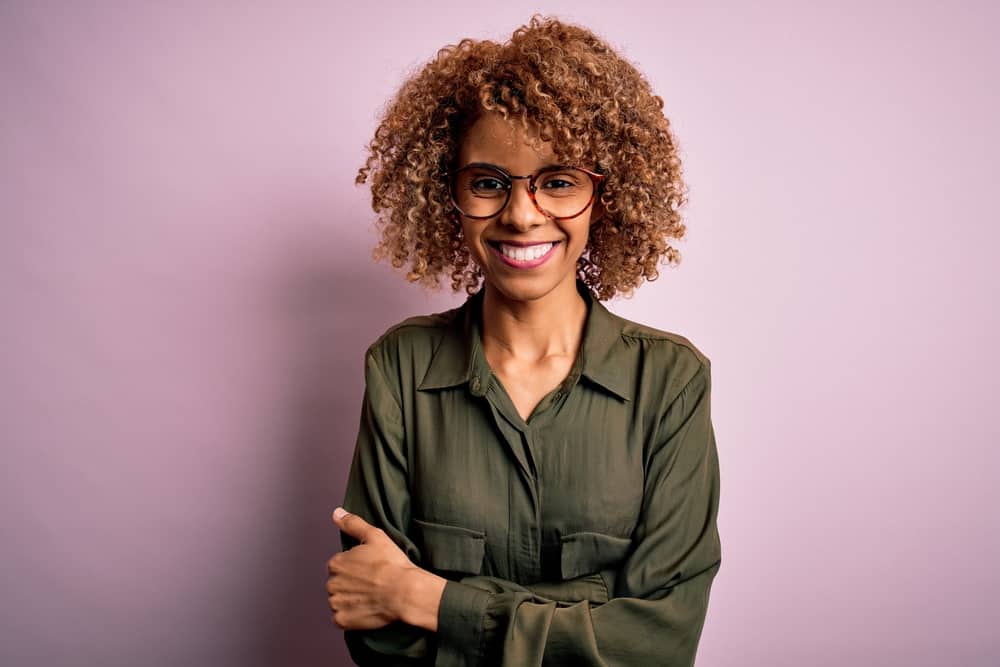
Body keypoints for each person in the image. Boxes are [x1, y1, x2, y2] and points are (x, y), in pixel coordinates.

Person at [326, 15, 722, 667]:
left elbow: (660, 642)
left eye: (557, 180)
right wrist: (585, 614)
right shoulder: (400, 367)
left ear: (605, 193)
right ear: (447, 191)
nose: (521, 212)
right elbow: (376, 628)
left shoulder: (671, 381)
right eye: (488, 181)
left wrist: (431, 598)